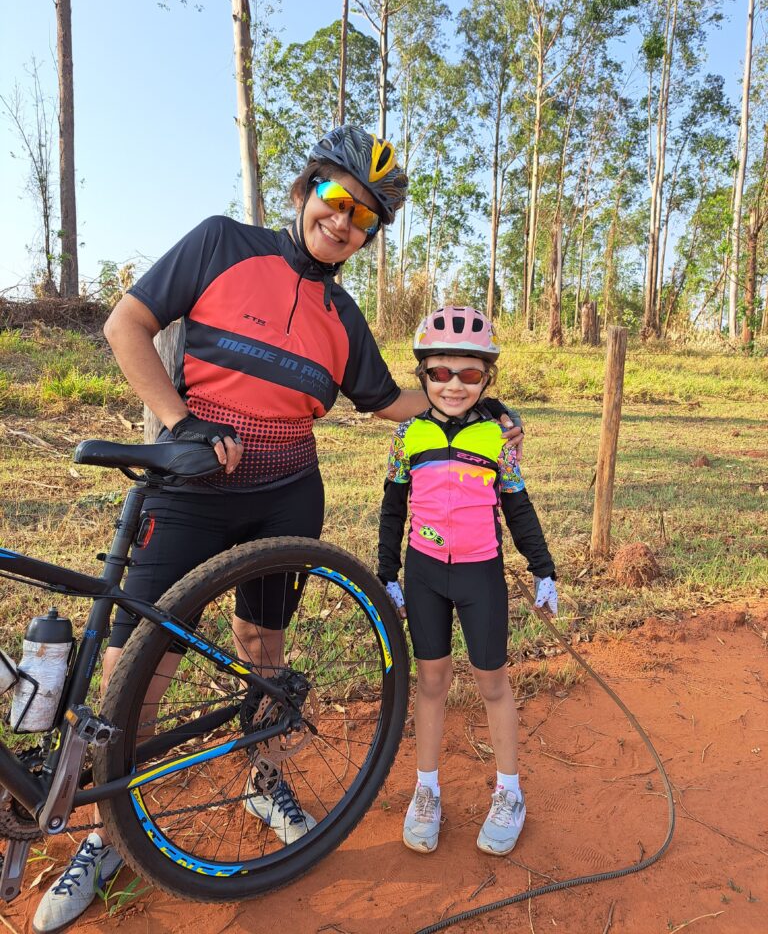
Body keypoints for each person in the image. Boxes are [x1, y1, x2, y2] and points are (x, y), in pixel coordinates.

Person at [33, 127, 523, 933]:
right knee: (137, 662)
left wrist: (479, 412)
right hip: (190, 482)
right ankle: (106, 833)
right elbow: (127, 326)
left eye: (365, 220)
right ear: (306, 191)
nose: (346, 224)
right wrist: (180, 423)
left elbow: (387, 402)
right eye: (337, 201)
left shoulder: (342, 312)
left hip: (288, 493)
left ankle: (262, 775)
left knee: (264, 652)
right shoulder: (224, 243)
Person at [377, 305, 557, 857]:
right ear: (423, 375)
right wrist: (387, 573)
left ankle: (509, 792)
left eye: (471, 374)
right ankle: (425, 789)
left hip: (481, 575)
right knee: (431, 683)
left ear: (487, 378)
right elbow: (392, 507)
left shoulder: (499, 439)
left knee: (492, 682)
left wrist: (543, 568)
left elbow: (519, 507)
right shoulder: (408, 435)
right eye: (440, 372)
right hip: (424, 574)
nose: (454, 385)